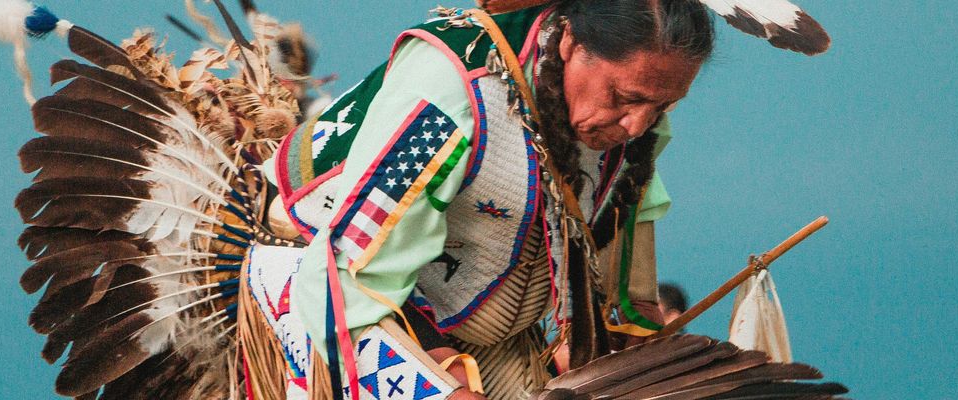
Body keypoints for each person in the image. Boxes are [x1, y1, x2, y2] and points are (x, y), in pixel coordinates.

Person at [249, 1, 717, 398]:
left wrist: (633, 341)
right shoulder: (451, 89)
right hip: (322, 284)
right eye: (622, 96)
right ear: (571, 44)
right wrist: (443, 376)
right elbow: (346, 276)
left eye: (662, 104)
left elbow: (628, 245)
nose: (638, 123)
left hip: (487, 329)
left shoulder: (635, 124)